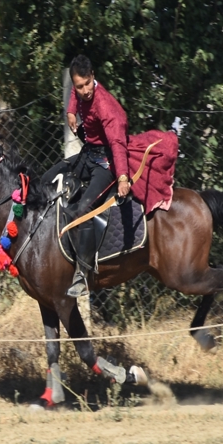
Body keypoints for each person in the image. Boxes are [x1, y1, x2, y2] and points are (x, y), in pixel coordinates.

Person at [43, 55, 133, 297]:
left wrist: (123, 178)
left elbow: (117, 144)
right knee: (46, 179)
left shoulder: (106, 107)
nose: (83, 91)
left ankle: (83, 274)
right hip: (89, 154)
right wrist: (71, 112)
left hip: (107, 163)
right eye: (78, 86)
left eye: (86, 84)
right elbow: (74, 96)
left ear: (93, 77)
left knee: (83, 208)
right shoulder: (79, 91)